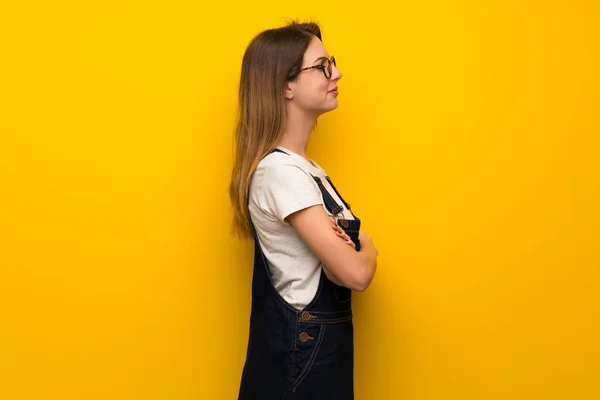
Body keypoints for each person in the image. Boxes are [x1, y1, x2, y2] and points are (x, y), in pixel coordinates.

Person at [229, 20, 379, 399]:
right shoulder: (281, 172)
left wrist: (356, 251)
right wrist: (368, 250)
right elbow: (355, 273)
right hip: (304, 356)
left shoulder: (305, 170)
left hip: (313, 352)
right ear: (286, 85)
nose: (337, 73)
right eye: (322, 66)